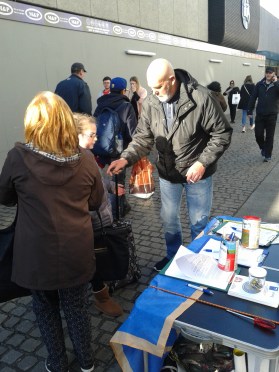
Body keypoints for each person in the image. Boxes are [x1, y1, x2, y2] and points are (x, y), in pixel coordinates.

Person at [0, 91, 104, 372]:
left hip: (35, 253)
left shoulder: (17, 158)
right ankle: (86, 360)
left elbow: (5, 198)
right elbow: (96, 202)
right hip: (76, 250)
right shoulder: (85, 159)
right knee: (77, 307)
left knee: (45, 306)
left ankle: (57, 362)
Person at [107, 58, 232, 272]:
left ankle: (198, 261)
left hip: (197, 175)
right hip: (168, 174)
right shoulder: (151, 103)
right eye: (151, 88)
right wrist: (125, 158)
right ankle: (173, 256)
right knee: (169, 219)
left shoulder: (201, 97)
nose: (153, 93)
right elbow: (142, 138)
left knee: (199, 222)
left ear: (171, 80)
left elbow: (222, 133)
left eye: (157, 87)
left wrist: (202, 163)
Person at [73, 112, 124, 317]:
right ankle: (100, 295)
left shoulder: (88, 156)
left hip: (100, 218)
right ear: (75, 135)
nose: (96, 139)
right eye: (91, 135)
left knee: (98, 256)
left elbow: (98, 182)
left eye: (96, 134)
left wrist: (111, 187)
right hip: (90, 222)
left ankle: (101, 289)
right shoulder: (75, 159)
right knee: (94, 259)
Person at [94, 77, 137, 218]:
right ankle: (115, 213)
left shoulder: (100, 104)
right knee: (117, 181)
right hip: (119, 151)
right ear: (123, 90)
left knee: (104, 180)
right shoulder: (126, 106)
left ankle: (123, 205)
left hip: (101, 149)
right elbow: (132, 132)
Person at [247, 66, 279, 162]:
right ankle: (263, 147)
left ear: (273, 74)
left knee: (270, 136)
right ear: (265, 73)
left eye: (270, 72)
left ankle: (267, 154)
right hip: (260, 114)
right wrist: (249, 110)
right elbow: (253, 97)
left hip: (272, 115)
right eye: (267, 72)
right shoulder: (259, 84)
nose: (268, 74)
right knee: (258, 134)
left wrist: (276, 82)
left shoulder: (276, 84)